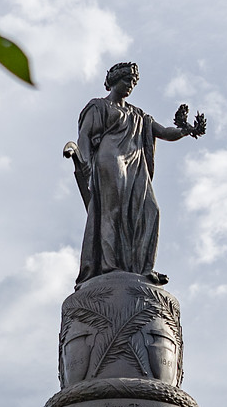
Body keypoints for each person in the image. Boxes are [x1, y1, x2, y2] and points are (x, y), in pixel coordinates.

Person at [64, 62, 206, 283]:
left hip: (136, 166)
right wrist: (86, 165)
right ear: (113, 80)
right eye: (127, 80)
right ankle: (110, 266)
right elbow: (84, 135)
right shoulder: (98, 106)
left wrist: (186, 130)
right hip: (110, 159)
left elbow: (164, 132)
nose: (131, 85)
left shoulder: (139, 115)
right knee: (113, 210)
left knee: (151, 210)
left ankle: (142, 268)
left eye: (134, 82)